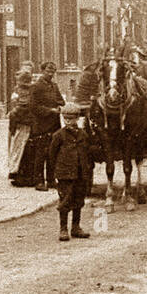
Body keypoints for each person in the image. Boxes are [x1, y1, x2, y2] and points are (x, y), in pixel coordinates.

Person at [48, 105, 93, 242]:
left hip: (80, 173)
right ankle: (63, 229)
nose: (68, 121)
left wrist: (86, 169)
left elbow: (87, 153)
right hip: (65, 174)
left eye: (71, 119)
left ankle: (76, 227)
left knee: (79, 199)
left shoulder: (83, 135)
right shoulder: (58, 136)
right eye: (65, 118)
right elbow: (52, 155)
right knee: (65, 200)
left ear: (77, 119)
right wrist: (55, 174)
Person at [25, 61, 66, 191]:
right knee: (40, 154)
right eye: (48, 71)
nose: (50, 73)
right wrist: (49, 110)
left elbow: (61, 100)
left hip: (54, 124)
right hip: (41, 124)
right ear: (42, 70)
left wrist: (59, 106)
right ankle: (39, 181)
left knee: (52, 153)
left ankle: (51, 179)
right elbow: (32, 106)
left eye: (53, 71)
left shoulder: (54, 86)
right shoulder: (36, 86)